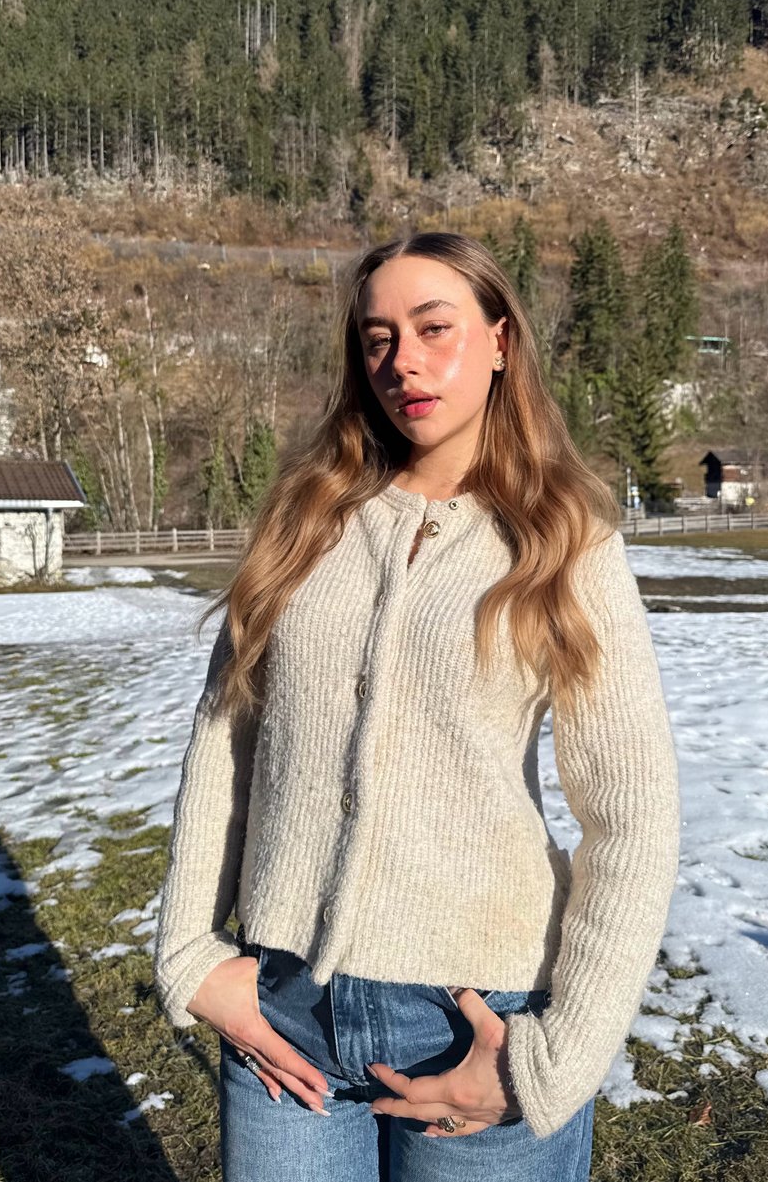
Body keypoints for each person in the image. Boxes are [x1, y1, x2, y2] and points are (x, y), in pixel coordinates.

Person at [153, 231, 681, 1181]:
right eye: (378, 338)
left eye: (435, 327)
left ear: (500, 340)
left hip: (476, 1020)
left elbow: (631, 814)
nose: (403, 362)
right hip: (285, 1009)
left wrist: (553, 1056)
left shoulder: (566, 540)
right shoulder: (305, 522)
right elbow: (227, 738)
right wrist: (191, 954)